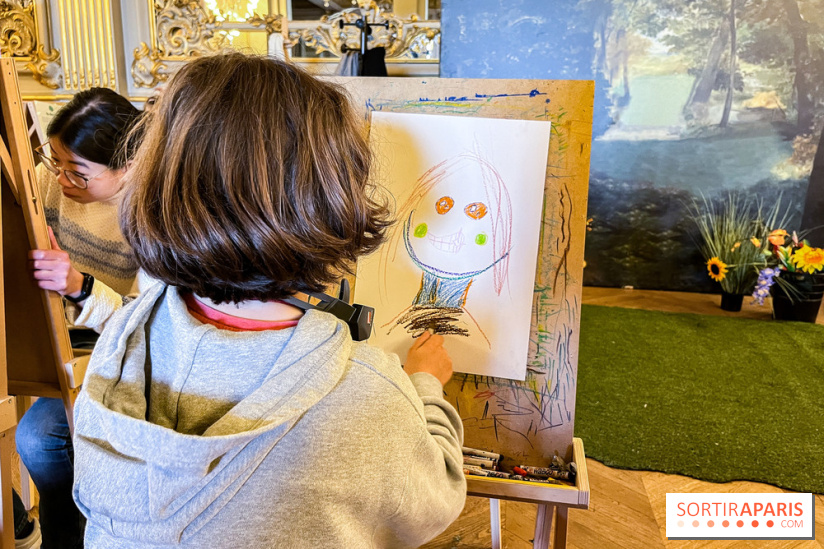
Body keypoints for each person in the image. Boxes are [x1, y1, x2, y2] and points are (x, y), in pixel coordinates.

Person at [72, 52, 466, 548]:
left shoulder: (119, 347)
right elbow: (435, 502)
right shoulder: (368, 392)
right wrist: (425, 386)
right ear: (329, 195)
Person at [17, 88, 142, 549]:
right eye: (55, 163)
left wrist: (79, 286)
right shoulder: (52, 182)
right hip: (45, 335)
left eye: (77, 171)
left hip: (115, 348)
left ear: (127, 165)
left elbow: (146, 324)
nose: (62, 180)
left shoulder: (152, 213)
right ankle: (21, 526)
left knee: (39, 440)